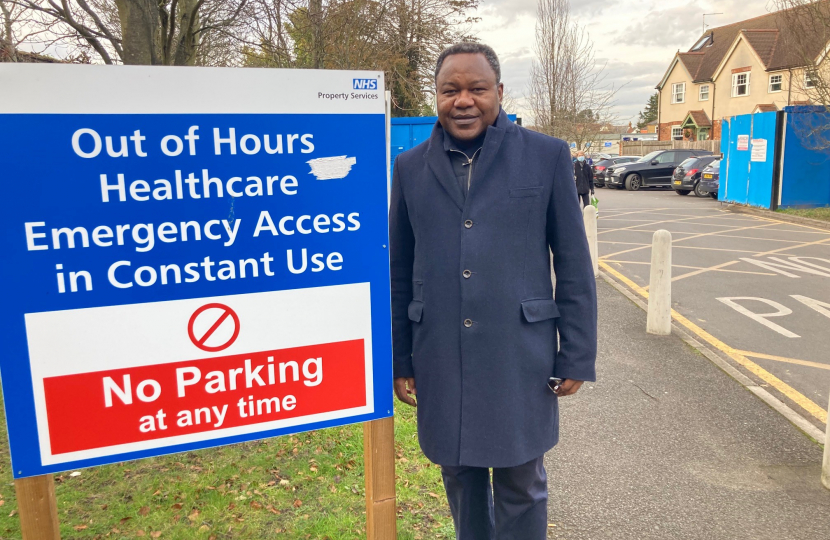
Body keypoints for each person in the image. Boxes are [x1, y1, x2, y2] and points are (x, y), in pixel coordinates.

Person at [389, 42, 597, 540]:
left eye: (477, 89)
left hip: (517, 355)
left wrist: (576, 354)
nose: (464, 100)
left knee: (521, 484)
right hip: (439, 352)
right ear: (436, 96)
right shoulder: (410, 168)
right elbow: (400, 268)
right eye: (450, 90)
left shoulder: (545, 156)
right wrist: (401, 359)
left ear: (499, 92)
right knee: (459, 476)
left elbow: (572, 262)